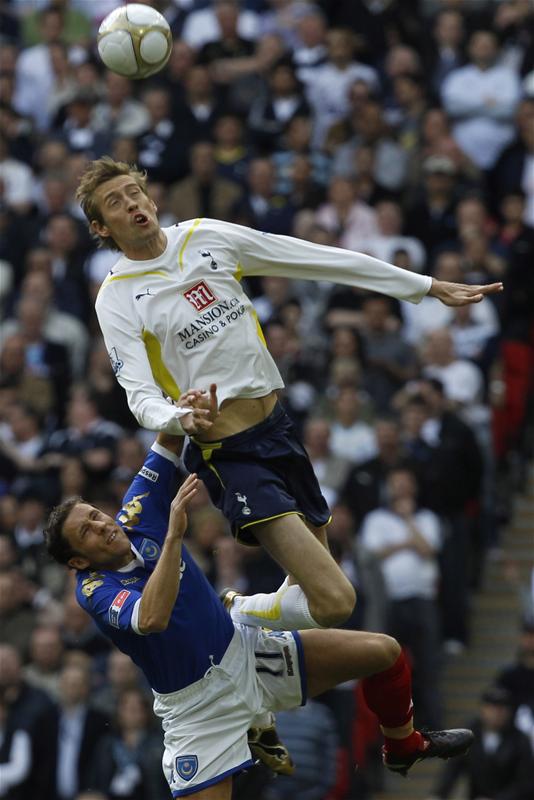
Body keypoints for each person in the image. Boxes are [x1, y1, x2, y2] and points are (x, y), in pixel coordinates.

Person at [75, 156, 502, 640]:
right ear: (100, 226)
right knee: (338, 600)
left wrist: (423, 287)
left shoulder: (203, 236)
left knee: (311, 601)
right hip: (229, 454)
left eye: (133, 191)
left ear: (150, 199)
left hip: (278, 428)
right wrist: (178, 418)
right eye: (115, 201)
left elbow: (313, 257)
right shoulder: (116, 296)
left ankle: (252, 625)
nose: (131, 203)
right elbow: (138, 395)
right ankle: (237, 609)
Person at [44, 414, 474, 799]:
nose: (103, 526)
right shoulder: (94, 589)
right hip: (196, 708)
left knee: (385, 653)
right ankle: (255, 712)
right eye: (87, 531)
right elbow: (153, 617)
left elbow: (167, 441)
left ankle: (403, 747)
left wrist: (185, 404)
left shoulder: (136, 513)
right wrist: (174, 537)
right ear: (77, 561)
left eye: (95, 515)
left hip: (246, 653)